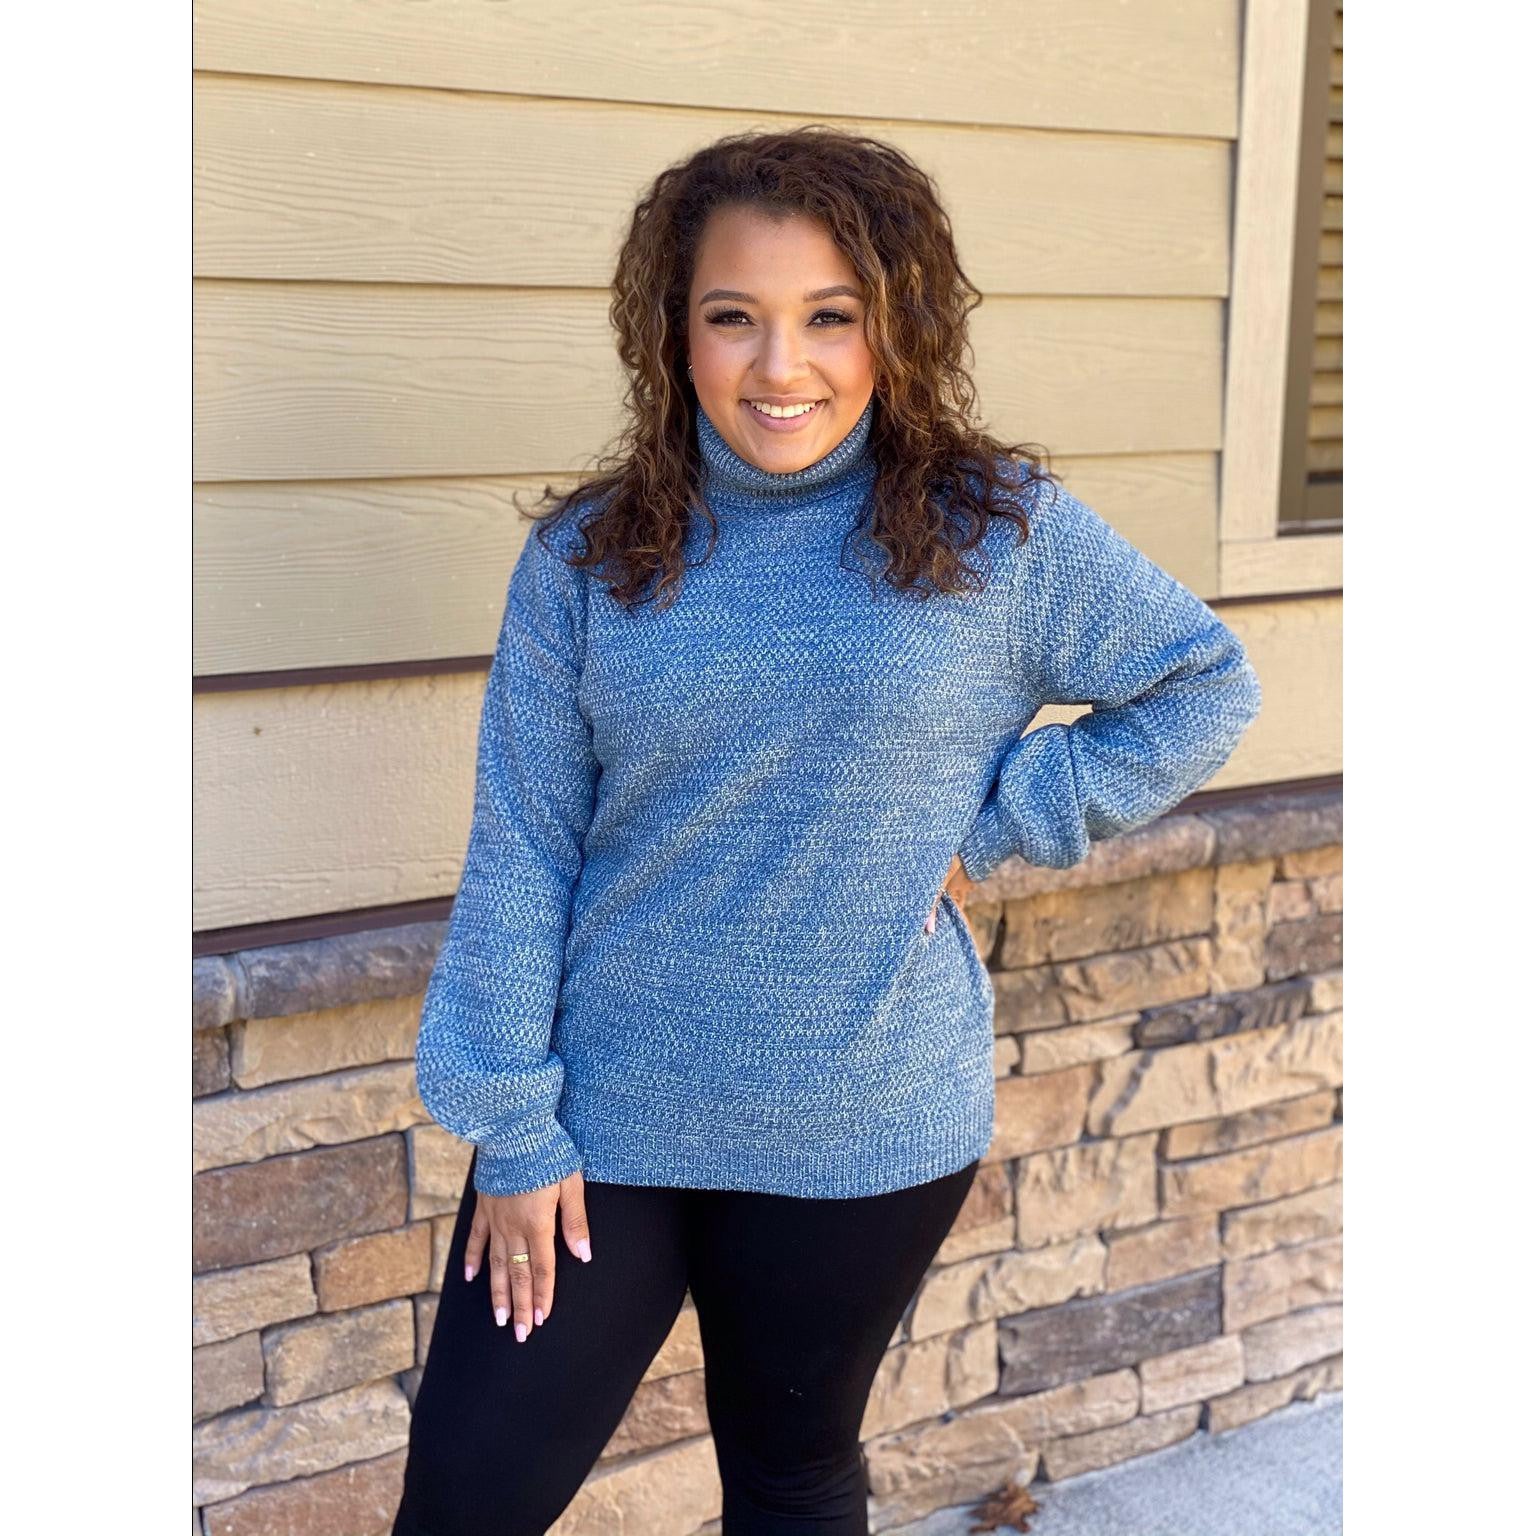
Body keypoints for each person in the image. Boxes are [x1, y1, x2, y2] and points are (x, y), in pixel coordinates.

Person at [392, 126, 1263, 1536]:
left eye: (830, 317)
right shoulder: (587, 560)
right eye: (733, 316)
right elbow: (523, 854)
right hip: (601, 1112)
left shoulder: (996, 536)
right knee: (466, 1502)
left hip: (863, 1109)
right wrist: (512, 1126)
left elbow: (1203, 681)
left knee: (792, 1474)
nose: (780, 365)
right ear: (674, 334)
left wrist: (998, 824)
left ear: (895, 328)